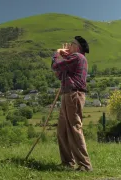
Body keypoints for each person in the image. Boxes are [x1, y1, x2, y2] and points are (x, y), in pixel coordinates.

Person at [51, 36, 93, 171]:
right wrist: (63, 58)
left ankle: (85, 165)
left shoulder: (77, 57)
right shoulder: (72, 59)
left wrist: (57, 53)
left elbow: (55, 65)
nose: (68, 45)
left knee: (74, 127)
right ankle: (67, 162)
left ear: (77, 47)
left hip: (73, 95)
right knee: (62, 130)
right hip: (67, 94)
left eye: (72, 44)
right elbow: (58, 73)